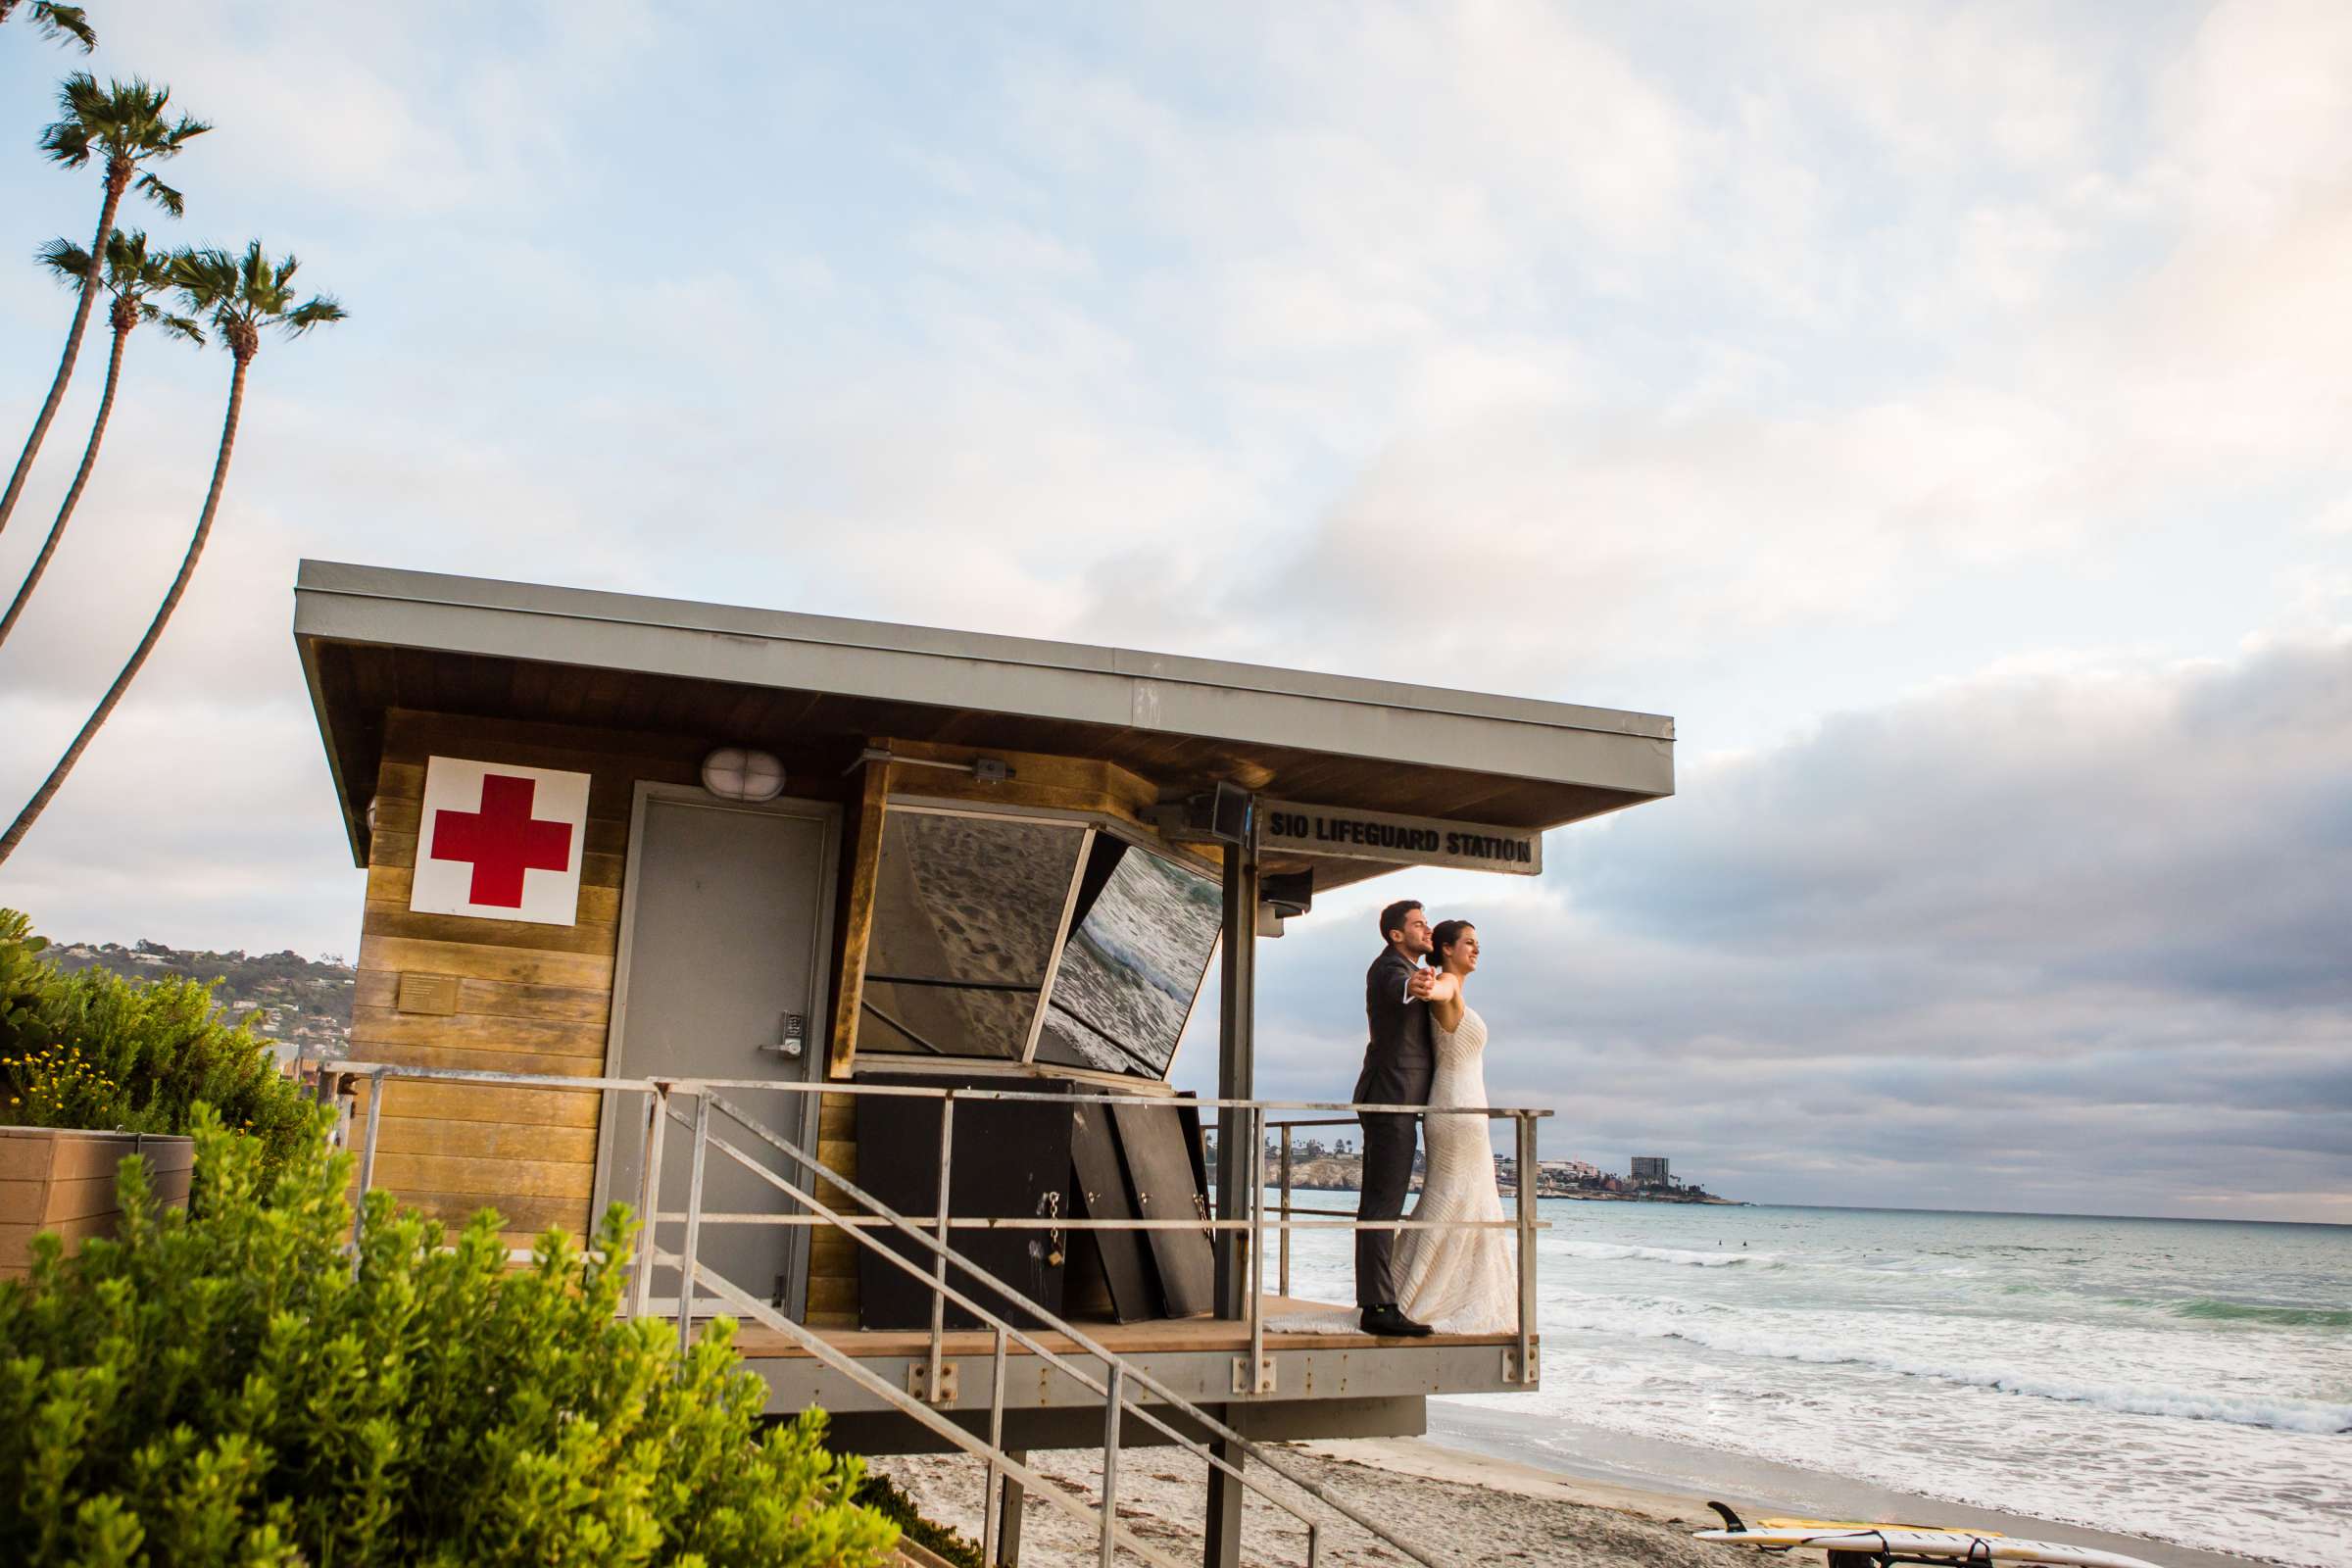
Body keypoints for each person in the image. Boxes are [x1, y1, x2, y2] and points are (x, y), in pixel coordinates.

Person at [1392, 919, 1518, 1333]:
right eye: (1469, 943)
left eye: (1478, 943)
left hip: (1465, 1106)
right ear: (1446, 949)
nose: (1476, 950)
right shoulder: (1446, 983)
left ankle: (1416, 1289)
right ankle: (1415, 1293)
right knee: (1452, 1195)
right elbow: (1439, 989)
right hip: (1455, 1109)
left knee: (1465, 1196)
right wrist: (1426, 985)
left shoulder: (1456, 988)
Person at [1354, 898, 1439, 1337]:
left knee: (1388, 1202)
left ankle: (1383, 1298)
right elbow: (1400, 989)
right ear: (1395, 935)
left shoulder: (1409, 967)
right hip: (1389, 1098)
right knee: (1382, 1204)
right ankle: (1378, 1307)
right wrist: (1420, 983)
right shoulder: (1390, 969)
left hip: (1402, 1099)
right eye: (1418, 924)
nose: (1427, 930)